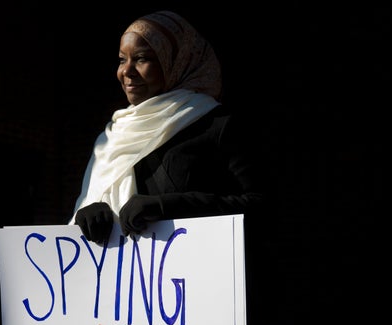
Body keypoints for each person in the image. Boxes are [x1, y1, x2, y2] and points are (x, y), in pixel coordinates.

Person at [69, 10, 263, 246]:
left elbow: (259, 206)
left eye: (141, 58)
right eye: (122, 59)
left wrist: (167, 206)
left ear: (176, 61)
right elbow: (89, 206)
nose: (126, 72)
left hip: (197, 275)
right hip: (126, 279)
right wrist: (87, 216)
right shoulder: (112, 137)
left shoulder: (215, 124)